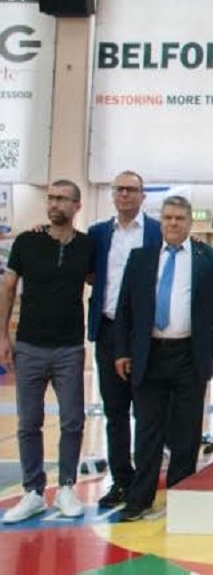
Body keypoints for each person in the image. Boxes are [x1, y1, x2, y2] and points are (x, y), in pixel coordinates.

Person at [114, 196, 213, 521]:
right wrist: (122, 351)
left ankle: (181, 498)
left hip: (190, 354)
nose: (174, 223)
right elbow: (124, 308)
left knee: (187, 431)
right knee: (147, 429)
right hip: (149, 354)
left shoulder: (210, 259)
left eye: (180, 218)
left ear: (190, 222)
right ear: (160, 222)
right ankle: (140, 499)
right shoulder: (140, 258)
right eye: (168, 218)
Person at [0, 180, 95, 523]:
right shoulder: (27, 241)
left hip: (69, 346)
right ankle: (33, 492)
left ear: (76, 206)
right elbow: (8, 287)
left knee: (72, 419)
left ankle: (67, 486)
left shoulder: (87, 246)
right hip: (29, 346)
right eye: (50, 198)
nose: (54, 203)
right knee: (29, 422)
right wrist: (2, 337)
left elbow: (98, 282)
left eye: (61, 199)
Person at [87, 171, 162, 508]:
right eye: (119, 189)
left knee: (147, 412)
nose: (125, 195)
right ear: (113, 194)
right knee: (115, 411)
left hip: (146, 334)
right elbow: (81, 265)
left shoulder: (157, 232)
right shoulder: (98, 234)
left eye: (132, 190)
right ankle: (121, 480)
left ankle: (145, 482)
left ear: (143, 196)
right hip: (107, 331)